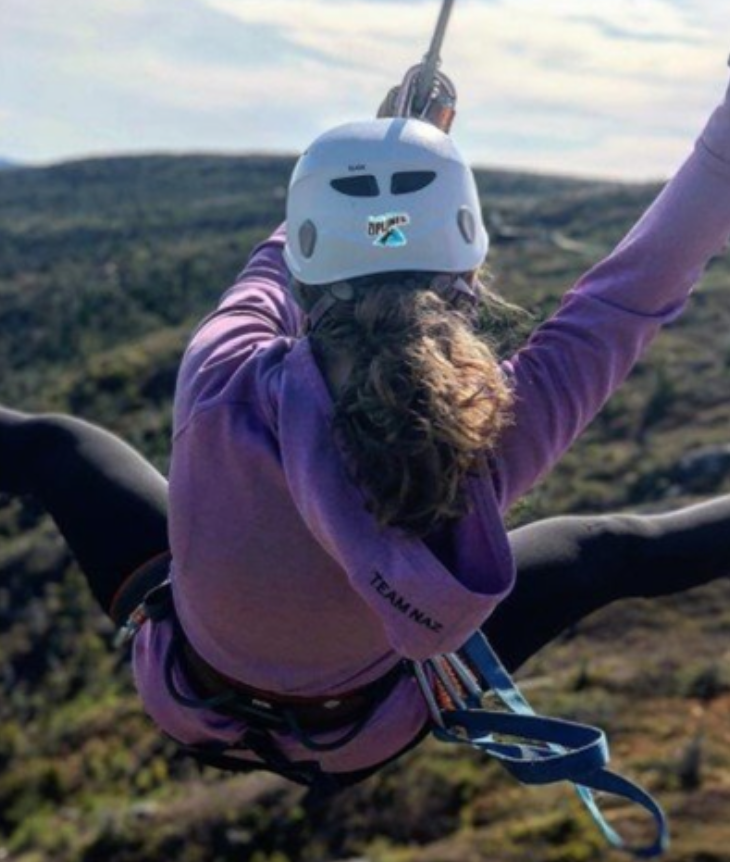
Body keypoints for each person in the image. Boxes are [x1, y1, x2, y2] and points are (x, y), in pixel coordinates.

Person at [3, 67, 730, 792]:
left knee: (50, 447)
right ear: (469, 259)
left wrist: (375, 161)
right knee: (616, 551)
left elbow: (274, 266)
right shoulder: (498, 424)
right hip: (358, 732)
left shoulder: (221, 373)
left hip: (186, 691)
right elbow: (639, 285)